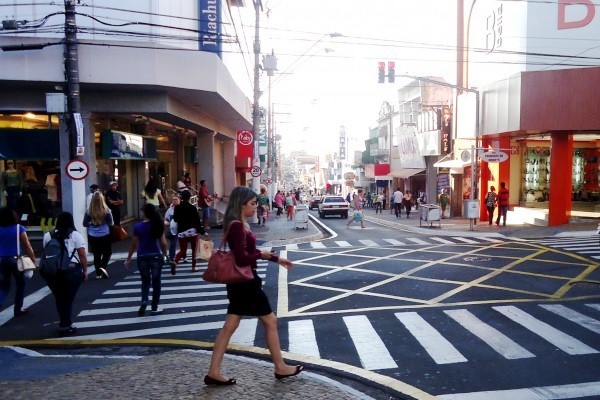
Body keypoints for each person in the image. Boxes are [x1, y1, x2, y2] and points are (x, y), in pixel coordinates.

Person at [204, 186, 301, 386]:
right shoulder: (238, 226)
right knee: (270, 321)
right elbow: (241, 258)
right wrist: (263, 255)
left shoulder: (237, 224)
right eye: (253, 203)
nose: (257, 207)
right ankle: (280, 367)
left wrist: (275, 258)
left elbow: (248, 251)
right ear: (241, 204)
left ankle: (213, 371)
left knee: (230, 326)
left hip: (239, 283)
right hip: (246, 282)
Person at [42, 212, 87, 337]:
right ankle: (65, 325)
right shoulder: (76, 235)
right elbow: (82, 255)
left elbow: (47, 253)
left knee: (59, 298)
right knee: (68, 299)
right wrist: (85, 271)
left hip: (54, 272)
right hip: (71, 270)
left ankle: (63, 322)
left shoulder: (48, 235)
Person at [124, 204, 168, 316]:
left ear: (144, 213)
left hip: (142, 255)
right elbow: (163, 243)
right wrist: (165, 254)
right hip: (155, 255)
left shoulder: (137, 226)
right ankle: (154, 307)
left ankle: (144, 301)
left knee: (145, 281)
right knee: (156, 282)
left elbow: (133, 245)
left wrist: (128, 259)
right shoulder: (157, 224)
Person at [0, 207, 36, 317]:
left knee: (4, 285)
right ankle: (18, 308)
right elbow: (27, 246)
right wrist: (32, 259)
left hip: (2, 259)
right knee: (20, 283)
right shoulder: (19, 228)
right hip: (16, 260)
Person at [171, 190, 208, 274]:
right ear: (189, 198)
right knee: (194, 250)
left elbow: (175, 219)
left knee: (182, 250)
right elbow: (197, 222)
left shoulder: (177, 207)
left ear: (181, 197)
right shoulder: (192, 208)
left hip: (181, 232)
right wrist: (203, 232)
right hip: (192, 232)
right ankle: (194, 266)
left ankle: (175, 262)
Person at [83, 191, 113, 279]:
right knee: (107, 252)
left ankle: (98, 273)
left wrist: (92, 223)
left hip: (92, 235)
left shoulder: (89, 211)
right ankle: (103, 267)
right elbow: (111, 223)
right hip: (104, 234)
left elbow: (84, 224)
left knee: (97, 254)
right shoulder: (107, 210)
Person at [164, 194, 180, 261]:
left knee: (183, 243)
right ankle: (171, 257)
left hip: (182, 228)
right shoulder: (169, 210)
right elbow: (165, 219)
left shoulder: (182, 208)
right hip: (173, 229)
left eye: (176, 199)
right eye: (173, 199)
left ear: (179, 200)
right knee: (173, 243)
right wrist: (166, 222)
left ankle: (184, 256)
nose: (175, 201)